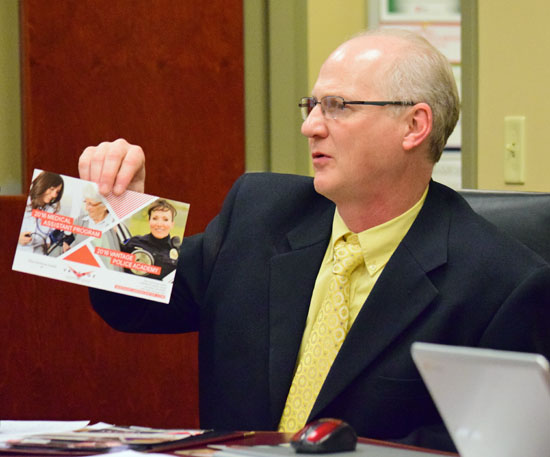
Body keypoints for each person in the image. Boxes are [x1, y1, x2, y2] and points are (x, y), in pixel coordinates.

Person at [78, 29, 550, 452]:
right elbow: (131, 306)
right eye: (313, 105)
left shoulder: (503, 284)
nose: (311, 126)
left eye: (338, 106)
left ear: (414, 126)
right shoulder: (260, 213)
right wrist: (120, 208)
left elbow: (490, 446)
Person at [120, 199, 180, 280]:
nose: (159, 224)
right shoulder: (133, 243)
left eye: (165, 219)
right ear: (149, 221)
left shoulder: (180, 253)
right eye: (155, 218)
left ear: (172, 224)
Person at [18, 171, 65, 255]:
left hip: (39, 256)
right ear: (42, 185)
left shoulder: (52, 212)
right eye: (52, 189)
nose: (54, 195)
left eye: (57, 192)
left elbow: (51, 236)